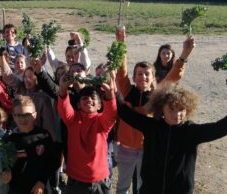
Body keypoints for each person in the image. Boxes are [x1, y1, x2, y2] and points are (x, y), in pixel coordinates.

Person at [114, 29, 195, 194]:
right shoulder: (127, 90)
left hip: (148, 149)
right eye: (138, 74)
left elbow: (173, 76)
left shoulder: (157, 97)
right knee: (122, 186)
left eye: (146, 74)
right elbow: (121, 72)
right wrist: (121, 43)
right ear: (134, 76)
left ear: (153, 77)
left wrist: (184, 55)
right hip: (126, 148)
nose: (142, 77)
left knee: (143, 185)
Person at [117, 83, 227, 194]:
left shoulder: (192, 131)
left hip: (180, 190)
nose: (177, 114)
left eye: (181, 109)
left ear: (188, 109)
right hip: (150, 189)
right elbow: (124, 112)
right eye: (171, 109)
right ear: (161, 108)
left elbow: (220, 128)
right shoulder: (151, 127)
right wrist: (114, 93)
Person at [57, 71, 117, 194]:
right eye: (84, 98)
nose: (88, 99)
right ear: (78, 104)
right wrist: (63, 89)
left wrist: (110, 95)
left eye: (93, 98)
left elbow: (111, 114)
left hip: (100, 180)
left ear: (100, 105)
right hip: (76, 180)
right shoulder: (73, 120)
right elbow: (64, 108)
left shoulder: (102, 122)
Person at [6, 95, 57, 194]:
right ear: (13, 116)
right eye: (19, 115)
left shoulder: (44, 136)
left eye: (27, 115)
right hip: (17, 190)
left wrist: (42, 181)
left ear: (35, 115)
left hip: (39, 189)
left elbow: (53, 161)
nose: (23, 119)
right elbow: (6, 164)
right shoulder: (10, 139)